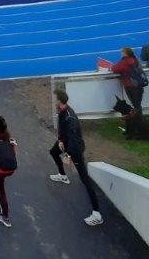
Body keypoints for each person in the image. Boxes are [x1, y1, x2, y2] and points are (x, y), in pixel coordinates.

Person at [49, 89, 103, 226]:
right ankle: (63, 175)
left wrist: (68, 155)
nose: (53, 100)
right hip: (65, 143)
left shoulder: (70, 117)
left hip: (75, 149)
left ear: (60, 101)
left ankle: (97, 214)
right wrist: (60, 140)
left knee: (85, 180)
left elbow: (74, 140)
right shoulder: (61, 112)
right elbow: (62, 129)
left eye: (55, 98)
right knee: (53, 152)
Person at [110, 46, 145, 113]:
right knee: (138, 104)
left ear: (125, 53)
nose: (121, 53)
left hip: (130, 85)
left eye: (122, 52)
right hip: (139, 84)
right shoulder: (135, 59)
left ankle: (138, 119)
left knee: (135, 104)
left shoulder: (124, 61)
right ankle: (139, 118)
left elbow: (115, 69)